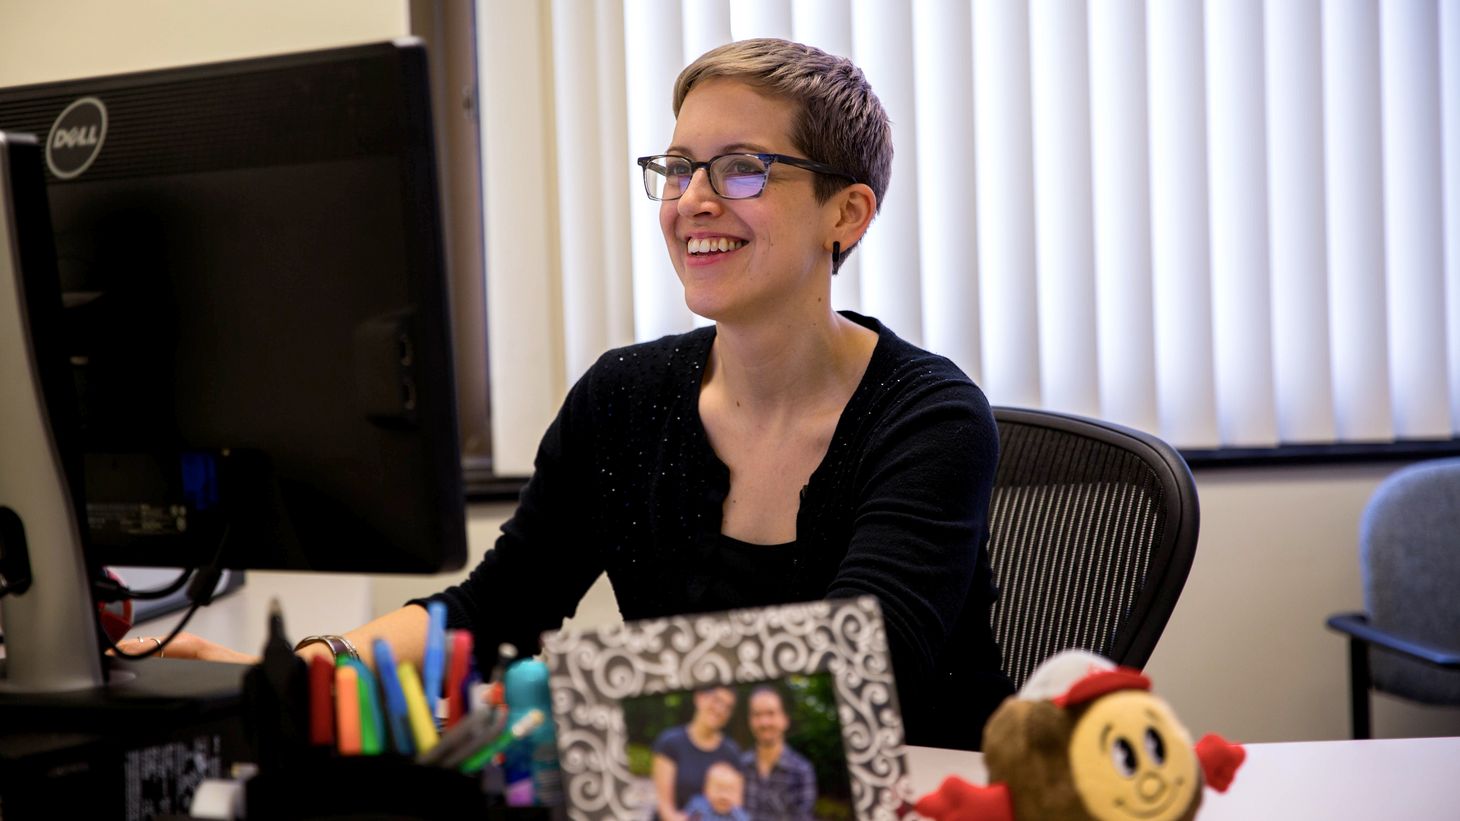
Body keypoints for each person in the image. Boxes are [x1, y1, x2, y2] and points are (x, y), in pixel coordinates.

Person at [162, 37, 1013, 752]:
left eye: (744, 169)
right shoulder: (624, 399)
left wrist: (556, 716)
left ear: (849, 213)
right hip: (693, 792)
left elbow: (849, 678)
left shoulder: (929, 418)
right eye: (678, 168)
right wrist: (309, 671)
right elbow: (493, 612)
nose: (694, 200)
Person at [652, 686, 742, 821]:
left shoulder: (732, 752)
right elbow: (665, 807)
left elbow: (736, 804)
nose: (720, 709)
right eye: (716, 700)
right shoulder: (669, 743)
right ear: (699, 697)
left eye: (727, 707)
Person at [740, 687, 816, 820]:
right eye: (757, 715)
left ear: (785, 720)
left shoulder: (801, 771)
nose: (764, 722)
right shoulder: (740, 766)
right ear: (750, 721)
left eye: (771, 713)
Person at [682, 761, 750, 821]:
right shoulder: (698, 809)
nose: (724, 795)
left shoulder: (739, 816)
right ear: (706, 789)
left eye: (730, 790)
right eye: (719, 789)